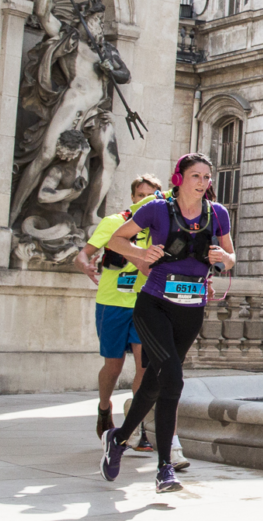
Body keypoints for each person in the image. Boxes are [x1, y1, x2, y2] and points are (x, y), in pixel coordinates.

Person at [98, 153, 236, 494]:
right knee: (172, 377)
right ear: (179, 178)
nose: (203, 182)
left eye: (207, 177)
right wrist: (140, 254)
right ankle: (164, 468)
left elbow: (231, 258)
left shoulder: (217, 214)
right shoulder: (156, 209)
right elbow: (115, 240)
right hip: (154, 305)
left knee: (156, 382)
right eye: (196, 176)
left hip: (191, 309)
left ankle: (119, 438)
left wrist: (223, 258)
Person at [75, 174, 186, 464]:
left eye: (150, 195)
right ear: (132, 196)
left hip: (143, 302)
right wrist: (87, 265)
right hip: (111, 303)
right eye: (139, 195)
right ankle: (103, 409)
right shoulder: (114, 223)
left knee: (143, 366)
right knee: (113, 366)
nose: (143, 200)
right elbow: (82, 255)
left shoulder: (160, 227)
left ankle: (135, 429)